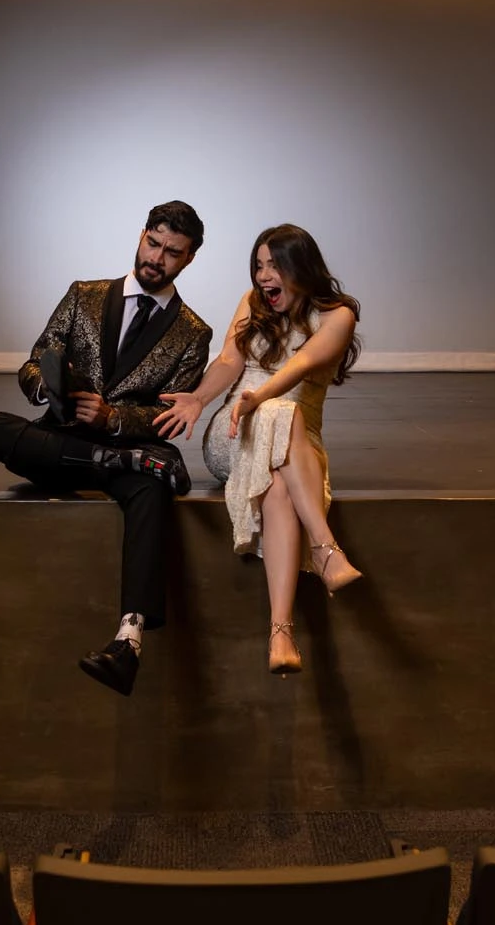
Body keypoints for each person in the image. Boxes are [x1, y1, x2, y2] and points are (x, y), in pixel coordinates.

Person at [0, 201, 213, 696]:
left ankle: (129, 641)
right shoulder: (84, 295)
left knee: (150, 491)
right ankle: (112, 461)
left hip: (127, 454)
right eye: (153, 243)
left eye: (172, 252)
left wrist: (115, 418)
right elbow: (36, 362)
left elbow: (170, 415)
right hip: (61, 442)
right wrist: (48, 390)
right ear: (142, 234)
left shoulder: (194, 333)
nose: (157, 258)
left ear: (189, 259)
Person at [153, 224, 363, 677]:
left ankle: (281, 634)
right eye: (259, 265)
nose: (264, 276)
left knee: (279, 471)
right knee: (272, 416)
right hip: (232, 434)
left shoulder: (338, 314)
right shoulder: (252, 304)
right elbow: (230, 360)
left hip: (298, 441)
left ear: (301, 269)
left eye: (275, 265)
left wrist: (263, 397)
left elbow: (303, 363)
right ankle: (326, 548)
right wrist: (200, 398)